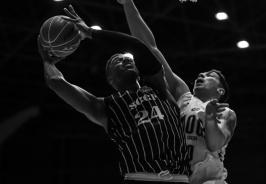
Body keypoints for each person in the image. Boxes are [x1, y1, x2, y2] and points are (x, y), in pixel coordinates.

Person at [38, 5, 190, 184]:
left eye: (127, 59)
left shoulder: (159, 88)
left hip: (180, 179)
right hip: (139, 177)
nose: (125, 59)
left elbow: (137, 46)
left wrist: (90, 33)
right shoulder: (105, 107)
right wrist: (47, 61)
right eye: (116, 60)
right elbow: (56, 82)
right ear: (110, 79)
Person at [117, 1, 237, 184]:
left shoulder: (226, 113)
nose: (201, 74)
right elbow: (149, 47)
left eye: (209, 75)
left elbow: (215, 145)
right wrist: (128, 4)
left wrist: (211, 120)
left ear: (220, 90)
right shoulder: (183, 96)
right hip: (178, 178)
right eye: (201, 73)